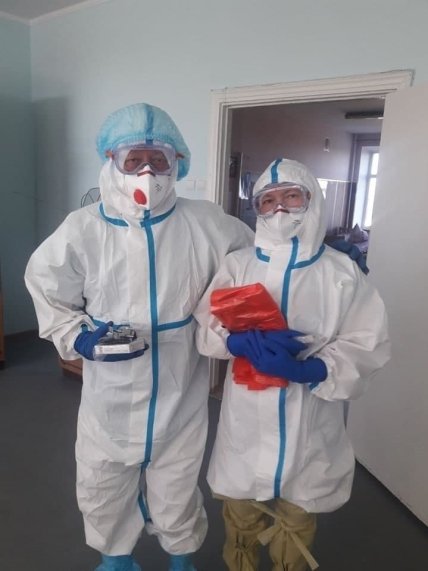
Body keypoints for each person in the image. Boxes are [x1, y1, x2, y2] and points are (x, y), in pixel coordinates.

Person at [24, 102, 255, 571]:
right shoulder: (83, 228)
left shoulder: (208, 223)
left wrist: (312, 269)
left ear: (177, 163)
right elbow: (47, 287)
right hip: (110, 388)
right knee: (102, 477)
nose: (147, 172)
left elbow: (252, 266)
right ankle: (115, 559)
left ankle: (181, 558)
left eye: (158, 160)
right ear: (112, 161)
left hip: (180, 380)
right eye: (134, 160)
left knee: (178, 477)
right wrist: (79, 336)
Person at [194, 158, 391, 571]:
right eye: (268, 200)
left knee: (298, 514)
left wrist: (313, 370)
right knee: (241, 509)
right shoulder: (238, 264)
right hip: (247, 413)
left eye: (291, 196)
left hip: (310, 414)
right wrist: (233, 340)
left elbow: (366, 342)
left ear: (312, 200)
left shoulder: (341, 272)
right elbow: (207, 327)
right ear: (257, 209)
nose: (279, 208)